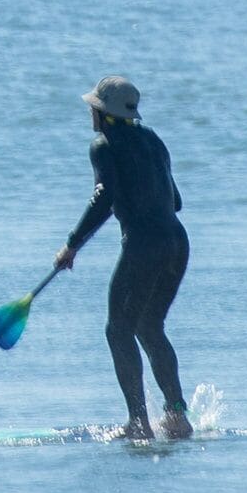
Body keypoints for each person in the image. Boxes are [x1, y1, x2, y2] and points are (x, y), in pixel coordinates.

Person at [53, 75, 189, 440]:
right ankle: (177, 417)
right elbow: (175, 201)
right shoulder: (153, 140)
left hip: (144, 245)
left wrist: (72, 245)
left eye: (93, 108)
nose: (90, 114)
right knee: (149, 326)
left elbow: (104, 197)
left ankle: (139, 423)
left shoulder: (103, 145)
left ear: (102, 112)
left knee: (118, 330)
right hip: (176, 242)